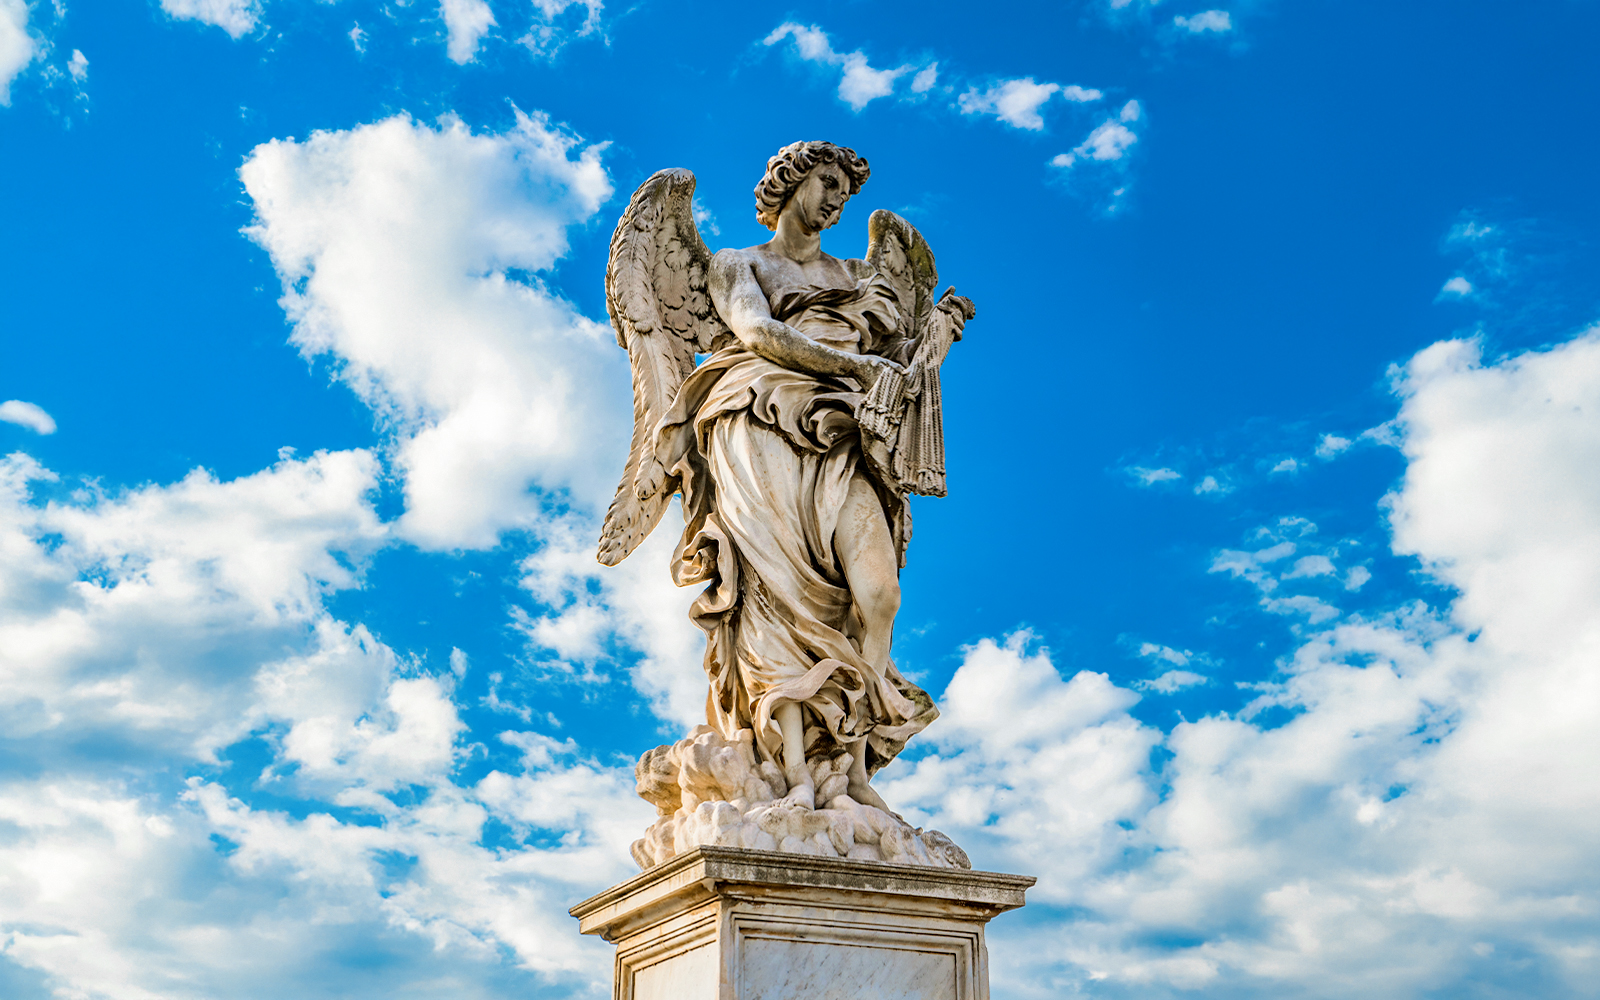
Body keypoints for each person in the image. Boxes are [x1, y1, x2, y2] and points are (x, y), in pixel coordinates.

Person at [653, 141, 955, 812]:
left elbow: (897, 371)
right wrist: (857, 368)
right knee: (775, 596)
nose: (834, 201)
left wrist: (932, 338)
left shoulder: (856, 277)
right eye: (825, 183)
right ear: (789, 181)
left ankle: (850, 767)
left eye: (844, 194)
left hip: (844, 435)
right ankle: (794, 770)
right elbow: (756, 333)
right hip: (757, 420)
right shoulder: (739, 264)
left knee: (876, 595)